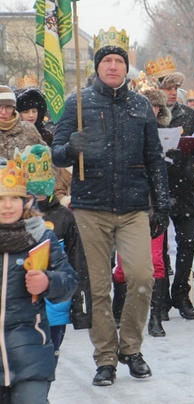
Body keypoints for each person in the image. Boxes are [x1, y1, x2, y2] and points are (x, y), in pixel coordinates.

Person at [51, 27, 171, 386]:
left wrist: (161, 202)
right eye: (108, 61)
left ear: (126, 67)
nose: (114, 66)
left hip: (133, 207)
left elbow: (154, 157)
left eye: (119, 60)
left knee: (141, 277)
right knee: (99, 288)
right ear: (98, 67)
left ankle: (131, 347)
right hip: (91, 207)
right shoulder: (78, 102)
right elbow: (56, 152)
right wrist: (71, 147)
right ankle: (106, 357)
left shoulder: (139, 106)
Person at [0, 156, 78, 402]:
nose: (7, 206)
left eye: (14, 198)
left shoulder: (41, 236)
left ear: (26, 201)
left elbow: (68, 280)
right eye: (0, 199)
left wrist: (48, 282)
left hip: (30, 349)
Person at [17, 144, 92, 367]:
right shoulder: (11, 220)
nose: (37, 196)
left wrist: (80, 309)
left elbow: (76, 264)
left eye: (41, 189)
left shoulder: (64, 218)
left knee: (48, 360)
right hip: (20, 307)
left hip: (55, 306)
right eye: (32, 190)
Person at [149, 58, 194, 322]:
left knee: (188, 244)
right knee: (159, 247)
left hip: (185, 186)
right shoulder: (147, 112)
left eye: (175, 87)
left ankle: (181, 294)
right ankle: (161, 299)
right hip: (157, 188)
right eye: (167, 86)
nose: (172, 91)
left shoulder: (188, 114)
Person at [109, 88, 173, 338]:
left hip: (153, 204)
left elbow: (162, 176)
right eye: (150, 106)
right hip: (128, 205)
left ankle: (155, 317)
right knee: (124, 266)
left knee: (156, 262)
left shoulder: (165, 134)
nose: (153, 111)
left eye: (158, 107)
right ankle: (118, 310)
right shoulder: (125, 132)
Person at [0, 84, 44, 159]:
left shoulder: (29, 131)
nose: (3, 112)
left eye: (8, 107)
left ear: (14, 109)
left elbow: (47, 161)